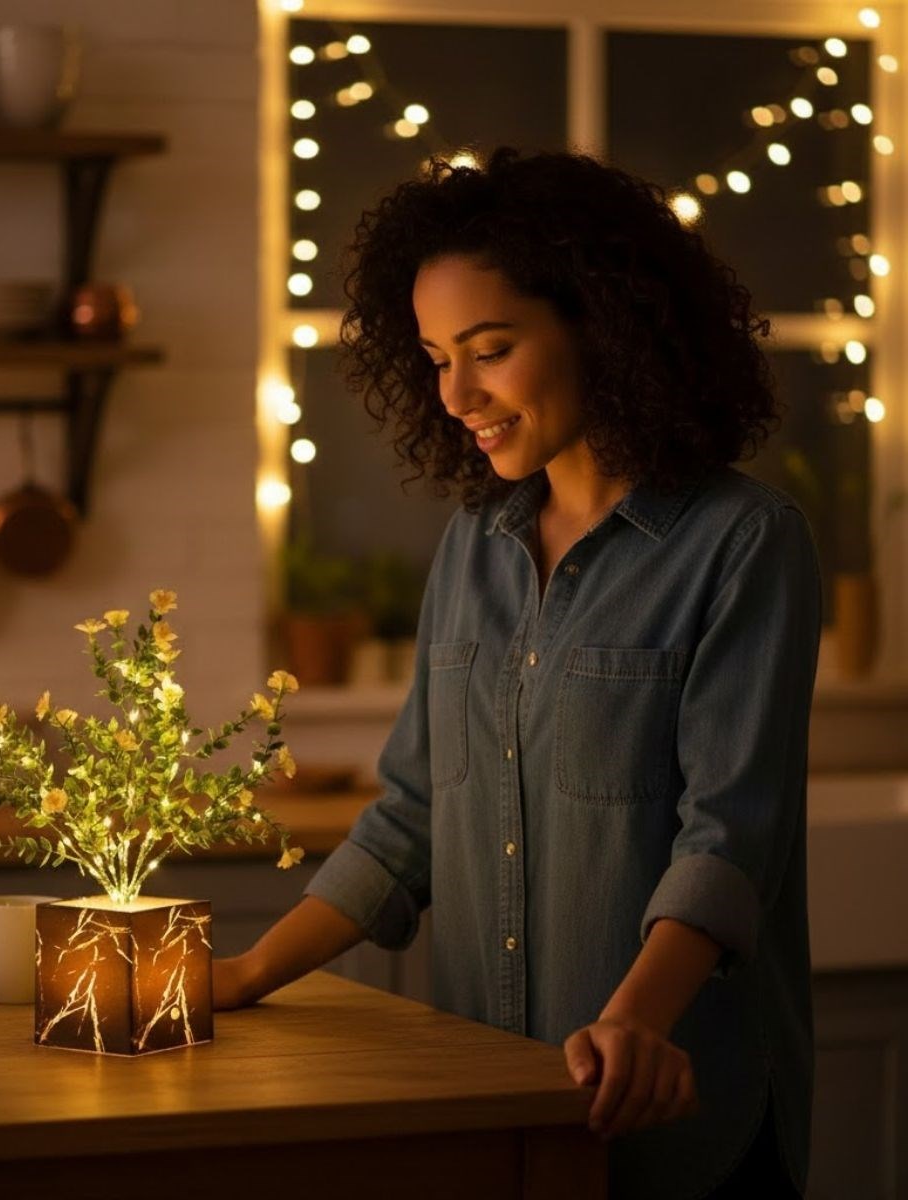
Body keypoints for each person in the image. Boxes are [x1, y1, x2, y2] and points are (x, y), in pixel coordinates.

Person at [214, 147, 820, 1200]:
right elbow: (410, 815)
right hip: (499, 1110)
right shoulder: (475, 544)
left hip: (675, 1113)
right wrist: (242, 977)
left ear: (602, 323)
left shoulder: (745, 542)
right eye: (436, 356)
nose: (456, 392)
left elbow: (729, 838)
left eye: (489, 349)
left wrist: (631, 1023)